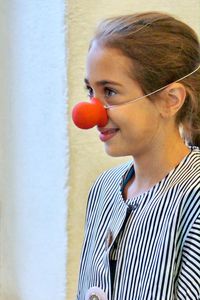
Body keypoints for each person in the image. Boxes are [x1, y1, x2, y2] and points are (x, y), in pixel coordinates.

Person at [75, 11, 200, 300]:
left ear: (170, 100)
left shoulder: (193, 199)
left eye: (110, 91)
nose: (90, 113)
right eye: (90, 91)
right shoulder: (104, 189)